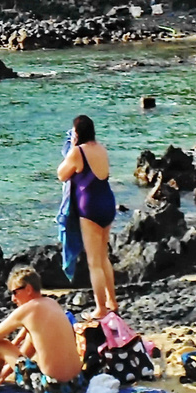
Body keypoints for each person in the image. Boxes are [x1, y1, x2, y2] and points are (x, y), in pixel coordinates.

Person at [58, 114, 118, 315]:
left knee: (94, 262)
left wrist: (72, 146)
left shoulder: (77, 152)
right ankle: (112, 301)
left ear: (78, 133)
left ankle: (101, 308)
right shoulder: (102, 149)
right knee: (103, 257)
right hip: (107, 203)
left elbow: (61, 174)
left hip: (89, 207)